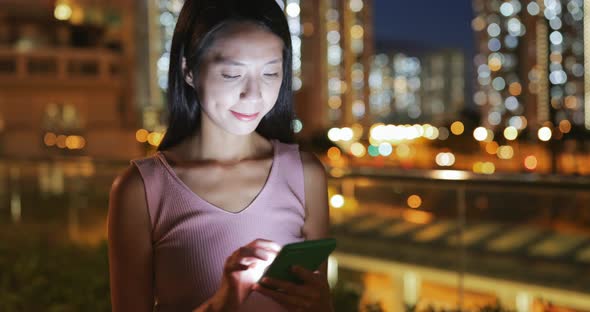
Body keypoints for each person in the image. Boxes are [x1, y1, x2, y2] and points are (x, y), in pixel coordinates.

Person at [107, 0, 333, 311]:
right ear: (188, 70)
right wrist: (223, 302)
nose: (253, 94)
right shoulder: (141, 189)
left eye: (270, 73)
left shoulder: (305, 175)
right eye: (231, 74)